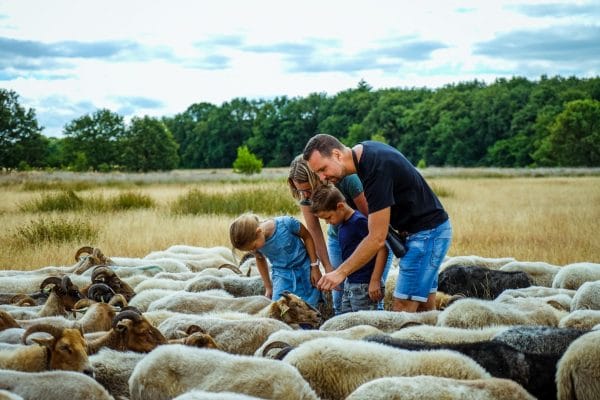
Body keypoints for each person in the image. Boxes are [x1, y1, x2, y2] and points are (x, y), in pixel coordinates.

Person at [303, 134, 452, 313]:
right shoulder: (366, 156)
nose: (322, 178)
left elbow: (377, 238)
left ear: (337, 154)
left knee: (402, 309)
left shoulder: (375, 168)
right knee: (424, 307)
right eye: (317, 173)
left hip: (426, 235)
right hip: (425, 233)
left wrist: (340, 272)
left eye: (322, 169)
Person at [288, 155, 393, 314]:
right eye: (300, 191)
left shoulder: (347, 180)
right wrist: (326, 267)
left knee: (369, 295)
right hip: (339, 240)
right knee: (340, 299)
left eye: (308, 190)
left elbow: (374, 227)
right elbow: (315, 232)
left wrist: (375, 278)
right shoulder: (306, 197)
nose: (306, 195)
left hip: (368, 237)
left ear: (319, 178)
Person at [310, 185, 387, 312]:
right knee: (347, 320)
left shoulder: (358, 222)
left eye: (328, 217)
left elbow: (382, 248)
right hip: (351, 283)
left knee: (364, 325)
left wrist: (375, 280)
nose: (327, 222)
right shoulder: (342, 225)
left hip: (365, 285)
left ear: (340, 206)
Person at [229, 213, 322, 308]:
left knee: (310, 307)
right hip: (281, 276)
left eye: (253, 247)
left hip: (305, 270)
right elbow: (260, 258)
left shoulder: (286, 224)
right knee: (278, 308)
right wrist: (268, 287)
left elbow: (307, 237)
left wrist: (315, 267)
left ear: (258, 231)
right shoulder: (256, 243)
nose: (253, 250)